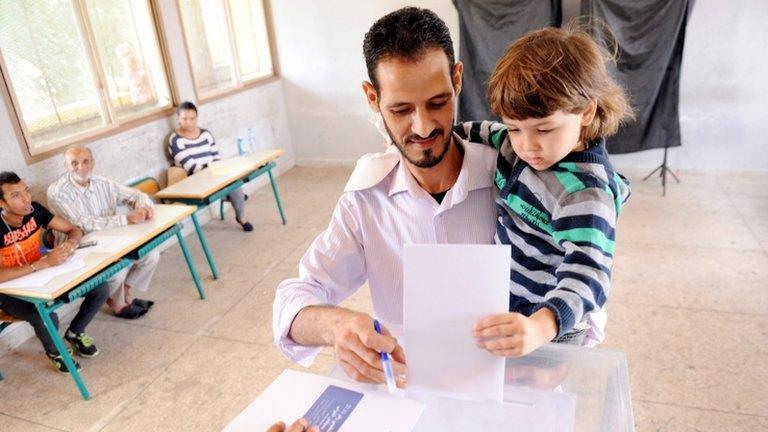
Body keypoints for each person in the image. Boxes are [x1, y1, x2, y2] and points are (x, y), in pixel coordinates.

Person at [273, 7, 498, 385]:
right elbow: (292, 301)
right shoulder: (365, 200)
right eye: (401, 109)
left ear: (457, 79)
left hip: (508, 390)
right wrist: (336, 326)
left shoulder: (509, 178)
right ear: (371, 97)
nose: (423, 127)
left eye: (437, 103)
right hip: (413, 394)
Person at [467, 25, 632, 357]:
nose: (527, 146)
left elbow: (590, 273)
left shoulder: (584, 194)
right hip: (511, 296)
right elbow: (481, 131)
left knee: (539, 395)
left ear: (586, 110)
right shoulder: (514, 142)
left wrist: (541, 326)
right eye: (515, 127)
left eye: (544, 129)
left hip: (551, 319)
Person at [0, 171, 109, 372]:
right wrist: (42, 264)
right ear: (2, 204)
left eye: (26, 191)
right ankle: (55, 352)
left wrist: (70, 244)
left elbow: (74, 230)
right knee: (47, 316)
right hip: (8, 290)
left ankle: (75, 333)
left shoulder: (35, 210)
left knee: (100, 287)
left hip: (42, 274)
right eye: (16, 196)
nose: (26, 199)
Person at [47, 146, 158, 319]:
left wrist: (144, 207)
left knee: (151, 255)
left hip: (111, 238)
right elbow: (83, 223)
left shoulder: (103, 182)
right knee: (116, 272)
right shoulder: (57, 191)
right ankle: (118, 304)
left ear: (93, 163)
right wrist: (127, 219)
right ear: (65, 166)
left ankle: (125, 291)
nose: (80, 167)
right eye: (74, 163)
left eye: (85, 161)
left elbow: (136, 195)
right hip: (78, 245)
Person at [167, 101, 253, 232]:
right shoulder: (175, 140)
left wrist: (218, 168)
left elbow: (216, 155)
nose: (189, 122)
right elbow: (191, 167)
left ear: (197, 118)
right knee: (236, 190)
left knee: (235, 181)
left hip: (214, 172)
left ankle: (241, 216)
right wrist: (214, 170)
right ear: (178, 118)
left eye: (192, 118)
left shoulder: (205, 134)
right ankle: (235, 197)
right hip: (196, 180)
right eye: (184, 119)